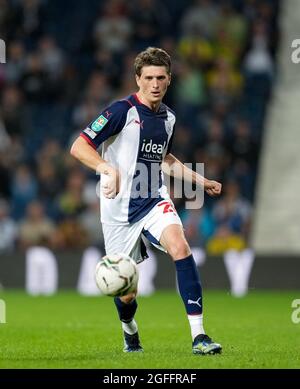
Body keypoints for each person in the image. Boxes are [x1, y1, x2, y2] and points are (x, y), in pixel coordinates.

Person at [70, 47, 222, 355]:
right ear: (138, 79)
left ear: (169, 80)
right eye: (149, 77)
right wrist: (105, 167)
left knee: (180, 247)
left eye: (161, 78)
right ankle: (130, 331)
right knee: (127, 293)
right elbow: (79, 145)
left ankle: (199, 336)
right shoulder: (120, 111)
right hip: (118, 211)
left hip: (153, 199)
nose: (155, 83)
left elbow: (164, 158)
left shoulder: (169, 118)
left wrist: (200, 180)